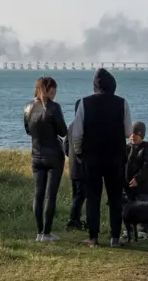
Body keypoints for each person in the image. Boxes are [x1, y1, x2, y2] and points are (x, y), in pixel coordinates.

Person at [71, 68, 133, 248]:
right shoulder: (122, 103)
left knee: (93, 198)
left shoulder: (84, 103)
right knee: (115, 198)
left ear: (95, 86)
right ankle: (115, 237)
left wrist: (80, 152)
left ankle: (93, 237)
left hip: (91, 157)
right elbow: (129, 131)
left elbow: (77, 133)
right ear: (113, 85)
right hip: (115, 157)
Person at [24, 77, 68, 242]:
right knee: (50, 195)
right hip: (54, 157)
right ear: (47, 90)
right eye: (53, 90)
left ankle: (38, 233)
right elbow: (63, 131)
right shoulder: (54, 107)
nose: (55, 93)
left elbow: (28, 130)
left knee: (38, 194)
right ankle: (47, 233)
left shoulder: (28, 107)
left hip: (36, 155)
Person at [121, 121, 148, 240]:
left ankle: (144, 230)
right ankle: (129, 230)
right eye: (131, 134)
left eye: (136, 134)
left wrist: (138, 178)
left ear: (141, 135)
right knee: (128, 208)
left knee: (143, 207)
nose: (133, 137)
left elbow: (147, 166)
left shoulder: (147, 148)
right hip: (127, 185)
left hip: (142, 185)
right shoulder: (126, 148)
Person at [63, 99, 86, 231]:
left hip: (73, 167)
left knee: (76, 195)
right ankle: (73, 220)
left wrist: (71, 157)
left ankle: (76, 219)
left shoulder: (71, 126)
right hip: (82, 166)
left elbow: (65, 146)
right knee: (81, 195)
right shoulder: (84, 125)